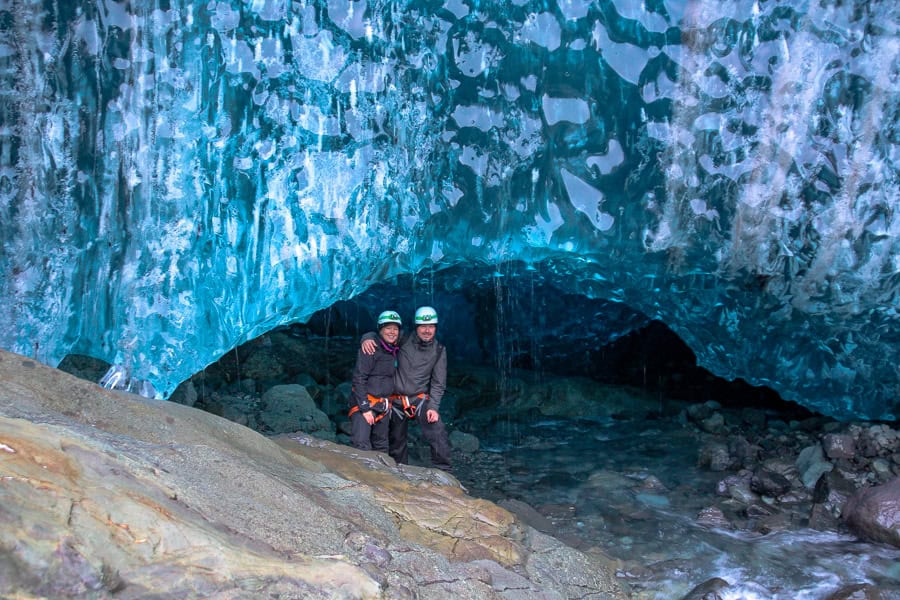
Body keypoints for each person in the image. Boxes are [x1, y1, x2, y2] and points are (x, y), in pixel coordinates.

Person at [361, 306, 452, 471]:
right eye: (423, 326)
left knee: (437, 430)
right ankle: (400, 471)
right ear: (416, 327)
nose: (427, 330)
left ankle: (444, 472)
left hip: (419, 399)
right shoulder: (403, 338)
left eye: (431, 326)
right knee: (397, 439)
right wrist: (366, 338)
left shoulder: (439, 350)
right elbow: (383, 334)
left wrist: (433, 407)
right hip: (395, 399)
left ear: (435, 328)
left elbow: (439, 383)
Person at [348, 310, 402, 453]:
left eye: (395, 329)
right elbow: (359, 378)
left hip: (383, 406)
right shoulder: (370, 348)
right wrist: (365, 409)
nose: (392, 332)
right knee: (361, 446)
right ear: (380, 330)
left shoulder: (394, 349)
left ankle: (382, 475)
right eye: (388, 328)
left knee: (381, 446)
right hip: (365, 405)